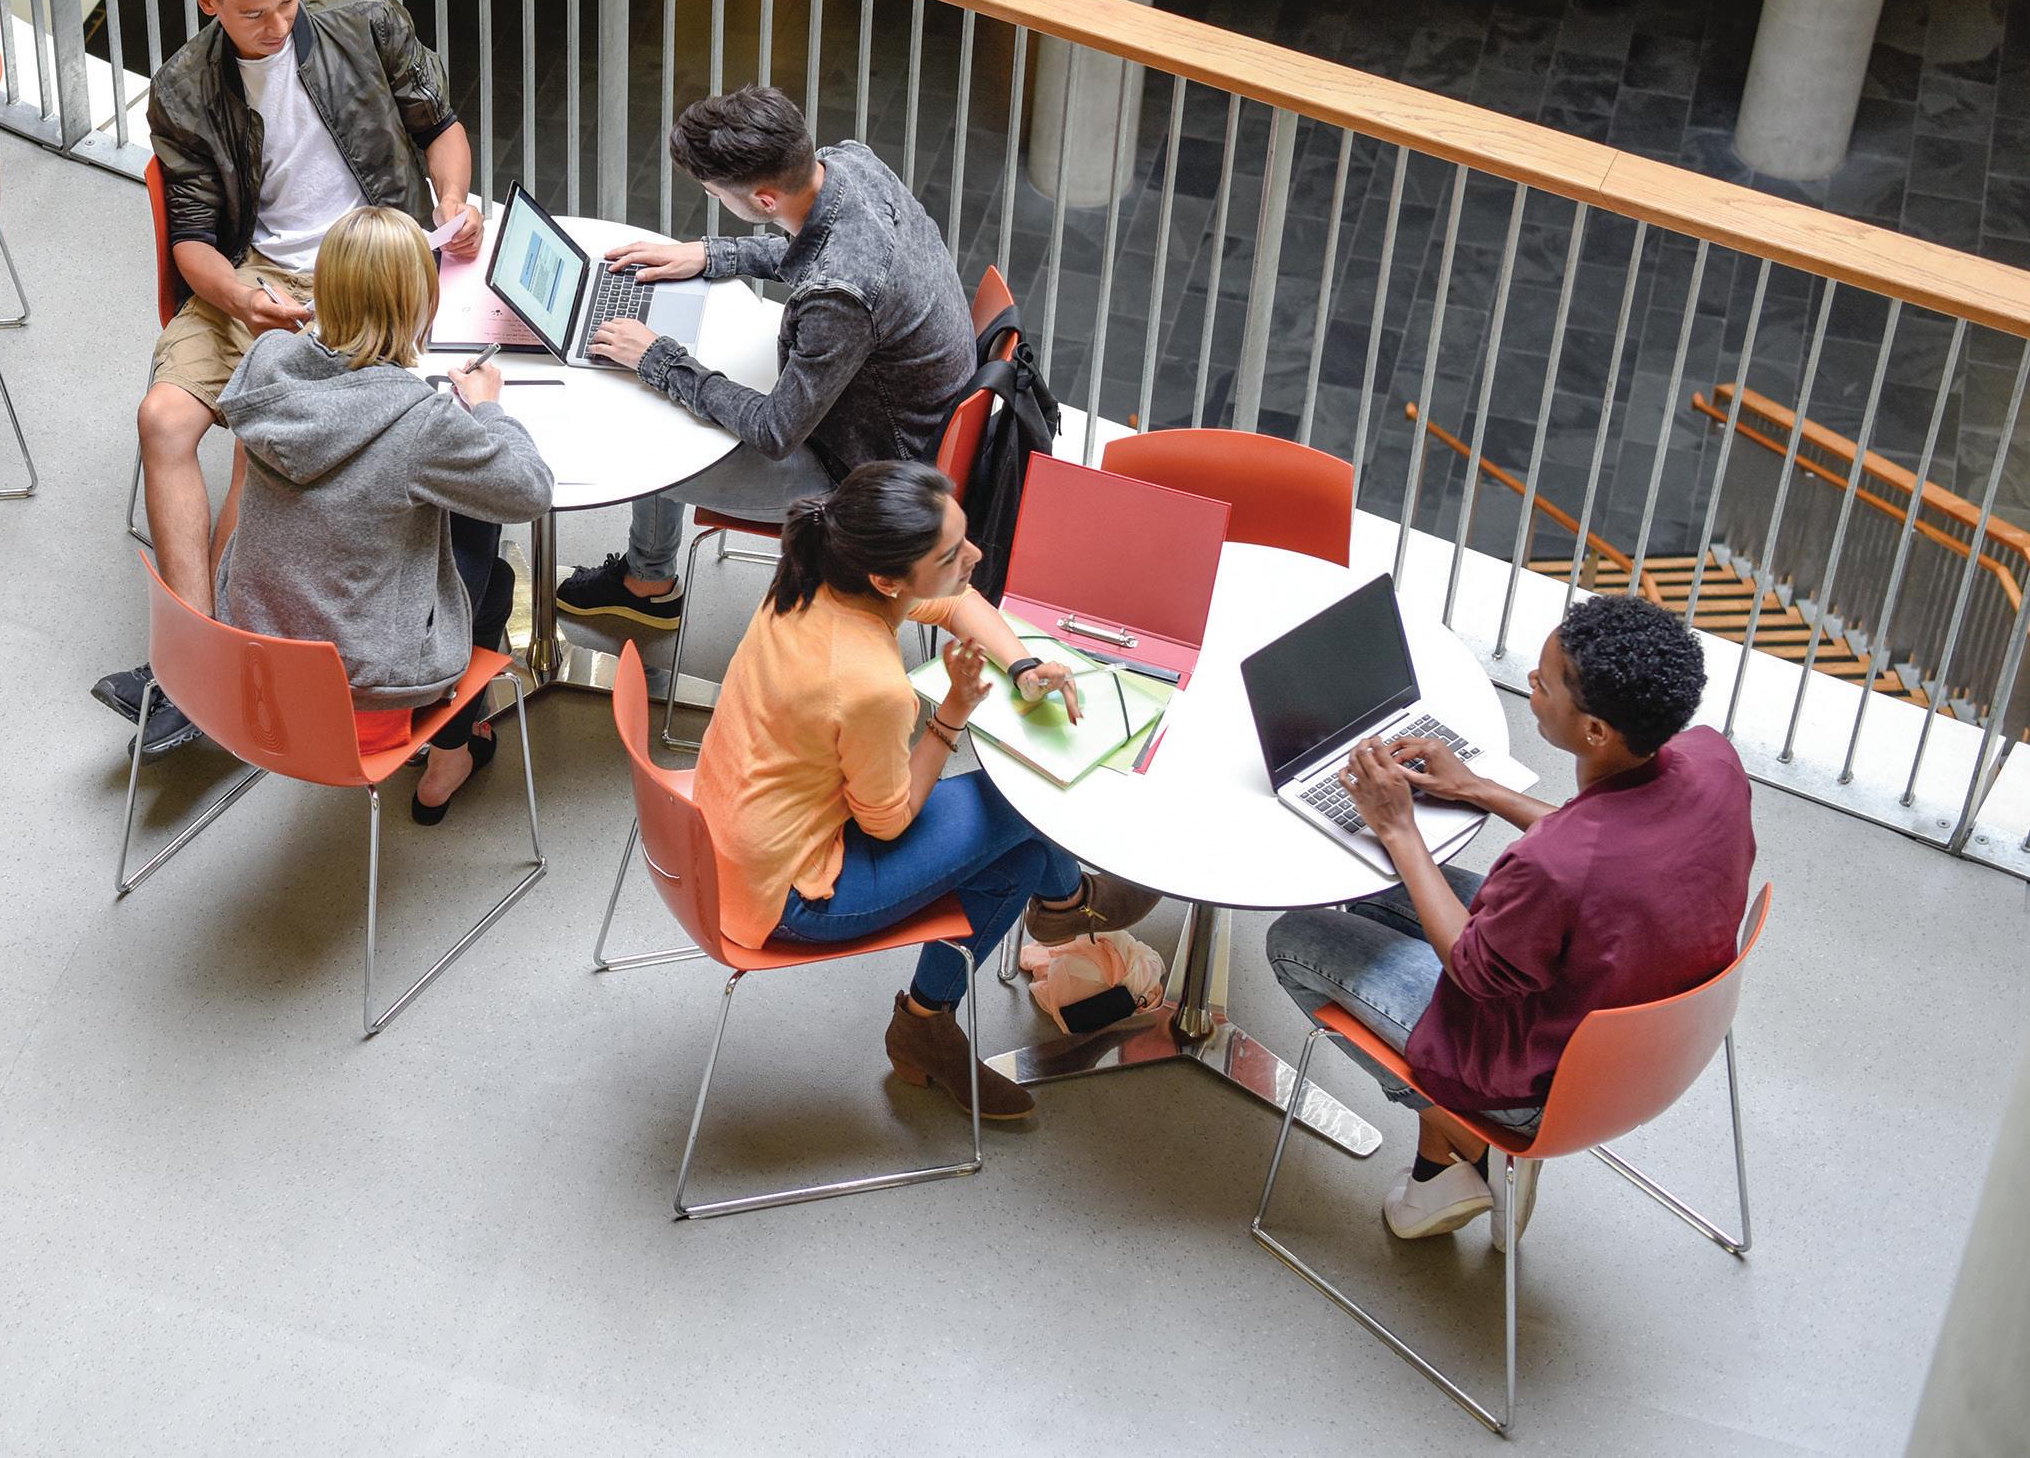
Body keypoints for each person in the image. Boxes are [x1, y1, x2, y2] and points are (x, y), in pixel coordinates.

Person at [93, 0, 478, 759]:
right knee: (163, 420)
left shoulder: (366, 21)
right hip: (250, 276)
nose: (278, 26)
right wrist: (239, 299)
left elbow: (442, 127)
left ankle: (204, 670)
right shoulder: (185, 87)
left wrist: (451, 199)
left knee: (257, 442)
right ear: (207, 1)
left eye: (288, 2)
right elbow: (193, 240)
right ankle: (200, 657)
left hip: (360, 266)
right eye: (254, 14)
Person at [1263, 594, 1755, 1243]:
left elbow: (1473, 969)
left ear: (1596, 732)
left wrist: (1398, 826)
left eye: (1545, 684)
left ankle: (1470, 1144)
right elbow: (1616, 844)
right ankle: (1445, 1164)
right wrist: (1475, 788)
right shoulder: (1714, 761)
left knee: (1294, 937)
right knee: (1370, 891)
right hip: (1649, 1045)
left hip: (1544, 1084)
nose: (1530, 683)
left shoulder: (1555, 865)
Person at [697, 460, 1156, 1122]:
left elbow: (953, 600)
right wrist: (951, 716)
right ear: (888, 580)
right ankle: (1067, 906)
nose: (976, 556)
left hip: (725, 834)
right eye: (951, 554)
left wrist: (1022, 664)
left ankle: (963, 990)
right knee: (1027, 801)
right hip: (791, 895)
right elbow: (887, 822)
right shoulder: (871, 686)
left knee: (1023, 855)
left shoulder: (814, 576)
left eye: (963, 537)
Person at [553, 86, 976, 630]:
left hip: (862, 473)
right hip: (902, 423)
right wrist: (711, 254)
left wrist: (658, 357)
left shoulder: (840, 298)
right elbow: (818, 246)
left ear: (765, 200)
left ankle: (646, 583)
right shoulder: (852, 164)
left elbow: (775, 430)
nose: (714, 199)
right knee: (678, 394)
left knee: (646, 454)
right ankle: (648, 579)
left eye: (715, 193)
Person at [212, 207, 552, 819]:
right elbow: (530, 491)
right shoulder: (422, 421)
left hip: (251, 665)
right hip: (361, 700)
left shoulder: (265, 362)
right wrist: (487, 407)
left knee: (446, 510)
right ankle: (449, 756)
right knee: (493, 563)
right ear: (421, 303)